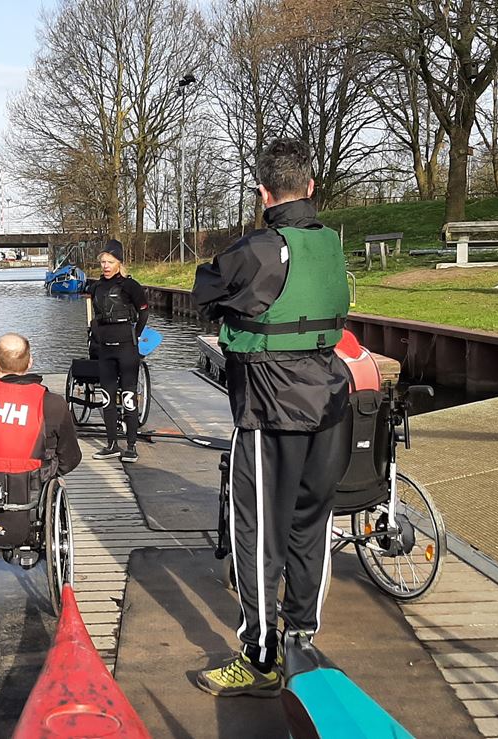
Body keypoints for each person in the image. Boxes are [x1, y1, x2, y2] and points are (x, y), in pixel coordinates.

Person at [191, 137, 351, 698]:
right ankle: (302, 636)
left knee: (258, 534)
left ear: (263, 192)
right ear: (310, 187)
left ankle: (261, 656)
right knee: (311, 525)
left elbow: (206, 291)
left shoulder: (257, 248)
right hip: (332, 402)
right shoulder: (333, 243)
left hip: (271, 408)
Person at [0, 333, 82, 543]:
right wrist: (51, 472)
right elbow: (71, 457)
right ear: (30, 362)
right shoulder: (53, 404)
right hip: (34, 486)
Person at [86, 239, 150, 463]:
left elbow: (143, 312)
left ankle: (131, 446)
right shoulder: (97, 287)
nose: (105, 266)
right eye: (102, 262)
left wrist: (137, 335)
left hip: (126, 349)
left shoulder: (130, 286)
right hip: (106, 351)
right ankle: (111, 444)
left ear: (119, 263)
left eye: (110, 262)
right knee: (107, 399)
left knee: (129, 397)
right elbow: (96, 316)